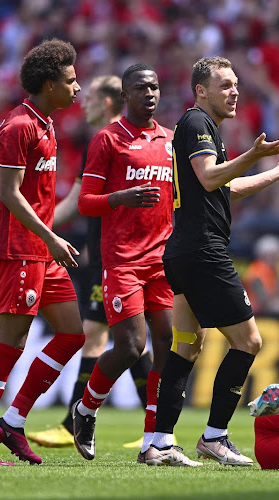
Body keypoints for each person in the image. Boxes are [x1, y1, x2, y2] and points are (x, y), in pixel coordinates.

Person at [143, 56, 279, 467]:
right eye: (224, 85)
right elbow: (209, 177)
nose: (234, 91)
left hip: (184, 249)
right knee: (249, 341)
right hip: (204, 250)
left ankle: (159, 442)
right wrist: (254, 156)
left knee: (185, 347)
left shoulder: (203, 129)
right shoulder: (196, 124)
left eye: (236, 84)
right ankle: (215, 437)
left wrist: (277, 173)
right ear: (200, 90)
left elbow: (225, 187)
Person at [0, 38, 84, 466]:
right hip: (19, 250)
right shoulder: (18, 127)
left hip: (42, 251)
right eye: (69, 80)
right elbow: (7, 195)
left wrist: (48, 241)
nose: (77, 87)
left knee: (72, 334)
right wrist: (50, 237)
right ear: (49, 84)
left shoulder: (44, 124)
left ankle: (12, 420)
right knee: (9, 341)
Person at [27, 75, 154, 449]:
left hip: (119, 257)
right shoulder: (107, 139)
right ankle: (157, 426)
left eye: (92, 97)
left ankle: (75, 422)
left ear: (111, 100)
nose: (83, 102)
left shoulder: (114, 140)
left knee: (109, 337)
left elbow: (78, 200)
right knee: (124, 340)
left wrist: (36, 225)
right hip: (106, 252)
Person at [70, 63, 174, 462]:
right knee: (131, 346)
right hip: (122, 261)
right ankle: (85, 409)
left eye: (155, 87)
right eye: (141, 88)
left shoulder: (170, 140)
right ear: (125, 95)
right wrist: (119, 198)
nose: (150, 94)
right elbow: (84, 202)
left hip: (162, 258)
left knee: (166, 344)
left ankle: (154, 441)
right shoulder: (107, 140)